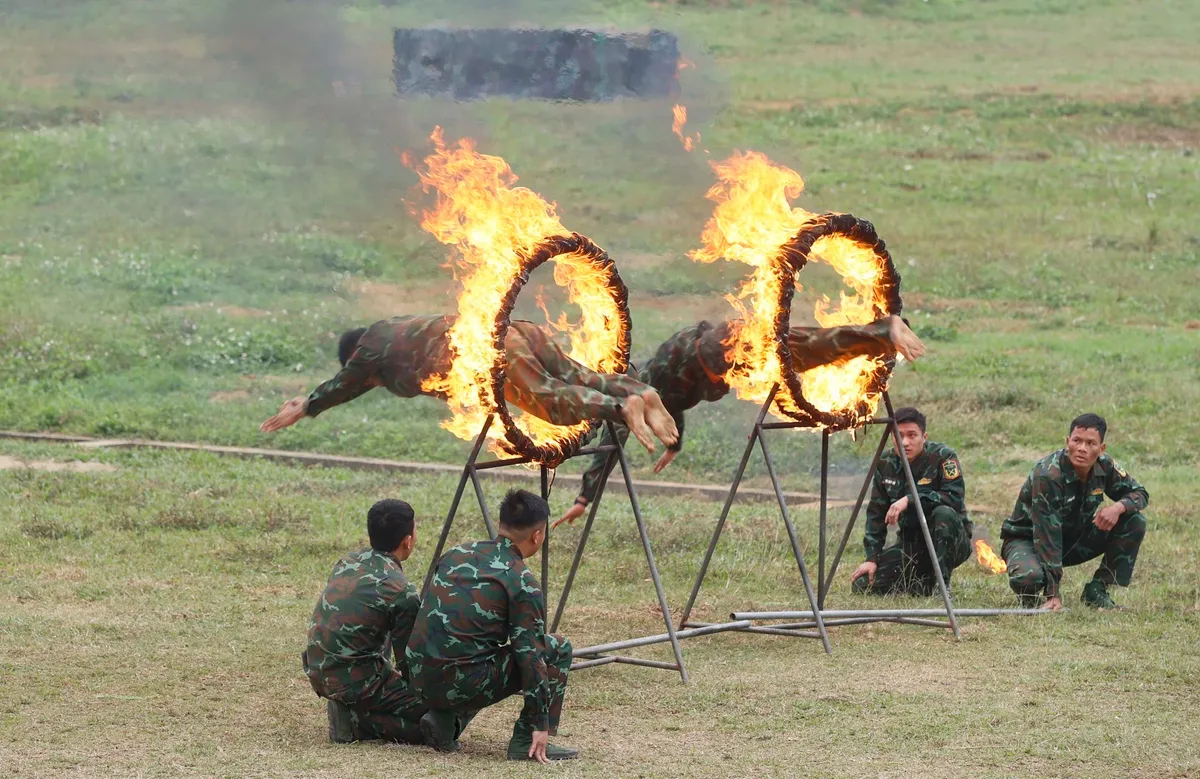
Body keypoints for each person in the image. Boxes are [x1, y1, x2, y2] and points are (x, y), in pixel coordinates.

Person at [556, 315, 926, 526]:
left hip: (720, 351)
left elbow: (612, 444)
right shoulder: (657, 389)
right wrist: (674, 443)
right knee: (806, 348)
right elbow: (673, 408)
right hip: (719, 352)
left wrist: (585, 497)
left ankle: (884, 330)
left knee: (805, 349)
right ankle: (881, 334)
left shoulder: (638, 393)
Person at [258, 315, 678, 454]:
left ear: (356, 356)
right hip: (518, 330)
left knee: (549, 402)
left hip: (492, 348)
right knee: (576, 375)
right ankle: (637, 391)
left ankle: (618, 408)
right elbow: (357, 384)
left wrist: (309, 405)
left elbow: (345, 384)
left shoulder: (372, 344)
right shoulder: (399, 346)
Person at [405, 489, 577, 763]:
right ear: (537, 535)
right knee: (557, 646)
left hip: (417, 678)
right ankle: (524, 741)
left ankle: (444, 720)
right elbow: (530, 655)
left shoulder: (455, 553)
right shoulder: (521, 580)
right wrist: (540, 723)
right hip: (460, 683)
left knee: (470, 651)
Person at [302, 499, 426, 744]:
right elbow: (410, 664)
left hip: (317, 668)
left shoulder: (348, 561)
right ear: (407, 541)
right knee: (441, 716)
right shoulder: (402, 590)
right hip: (355, 681)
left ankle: (349, 709)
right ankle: (358, 724)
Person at [1001, 413, 1149, 610]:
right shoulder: (1048, 475)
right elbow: (1047, 535)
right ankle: (1030, 598)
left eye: (1090, 443)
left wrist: (1117, 507)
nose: (1082, 449)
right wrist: (1053, 593)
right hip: (1028, 541)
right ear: (1067, 441)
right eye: (1077, 440)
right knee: (1028, 578)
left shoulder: (1105, 465)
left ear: (1101, 448)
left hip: (1072, 540)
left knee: (1134, 521)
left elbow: (1140, 493)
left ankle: (1096, 591)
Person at [848, 406, 972, 596]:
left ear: (924, 436)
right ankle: (922, 583)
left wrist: (910, 500)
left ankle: (942, 586)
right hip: (912, 543)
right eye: (899, 435)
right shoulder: (885, 462)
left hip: (951, 540)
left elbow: (953, 497)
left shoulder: (943, 457)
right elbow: (876, 513)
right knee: (863, 586)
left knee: (943, 513)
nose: (905, 442)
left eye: (912, 435)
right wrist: (871, 558)